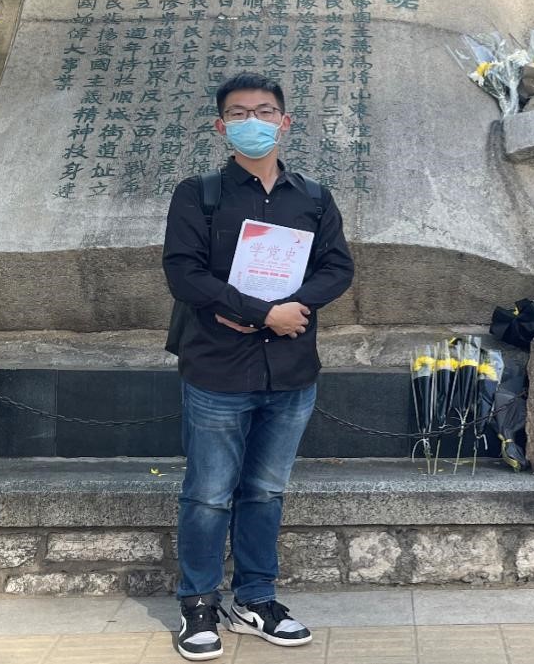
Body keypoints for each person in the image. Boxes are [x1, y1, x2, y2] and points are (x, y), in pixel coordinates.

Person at [162, 72, 354, 660]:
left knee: (266, 491)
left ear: (284, 122)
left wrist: (294, 307)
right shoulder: (198, 194)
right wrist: (262, 312)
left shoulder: (313, 197)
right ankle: (198, 604)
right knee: (208, 494)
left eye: (265, 111)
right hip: (217, 370)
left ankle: (256, 599)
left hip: (291, 371)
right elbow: (183, 272)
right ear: (221, 126)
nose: (254, 122)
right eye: (240, 113)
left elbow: (337, 267)